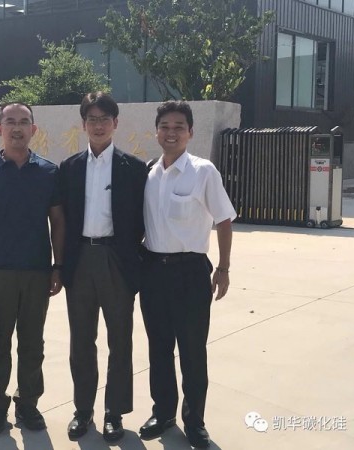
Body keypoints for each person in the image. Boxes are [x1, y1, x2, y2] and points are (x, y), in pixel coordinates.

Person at [138, 100, 236, 448]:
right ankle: (163, 412)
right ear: (156, 131)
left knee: (193, 351)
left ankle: (194, 421)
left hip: (190, 273)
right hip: (153, 272)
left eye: (179, 127)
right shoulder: (149, 172)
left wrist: (223, 268)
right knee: (159, 348)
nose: (171, 133)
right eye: (165, 126)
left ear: (190, 132)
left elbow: (224, 219)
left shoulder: (203, 171)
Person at [0, 102, 65, 435]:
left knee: (33, 343)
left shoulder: (49, 173)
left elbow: (58, 222)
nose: (17, 128)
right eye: (10, 122)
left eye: (24, 122)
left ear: (34, 130)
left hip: (37, 272)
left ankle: (28, 404)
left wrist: (58, 266)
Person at [59, 92, 147, 443]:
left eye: (104, 119)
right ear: (83, 124)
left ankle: (114, 412)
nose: (98, 125)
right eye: (92, 119)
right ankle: (83, 410)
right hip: (80, 258)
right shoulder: (69, 168)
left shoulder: (134, 168)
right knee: (81, 340)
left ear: (115, 123)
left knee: (120, 339)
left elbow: (143, 219)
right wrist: (59, 264)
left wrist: (131, 257)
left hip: (116, 260)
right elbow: (61, 220)